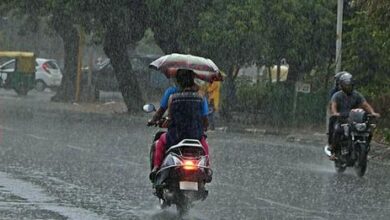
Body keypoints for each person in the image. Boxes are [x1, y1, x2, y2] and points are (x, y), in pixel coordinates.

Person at [148, 69, 210, 181]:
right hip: (195, 136)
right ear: (193, 80)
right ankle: (207, 169)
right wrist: (203, 126)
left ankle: (156, 168)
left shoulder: (172, 96)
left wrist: (158, 121)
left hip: (175, 137)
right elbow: (205, 119)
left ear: (178, 81)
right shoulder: (201, 98)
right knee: (204, 145)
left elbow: (168, 117)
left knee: (160, 142)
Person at [328, 72, 380, 160]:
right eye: (345, 85)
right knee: (337, 131)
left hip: (355, 119)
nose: (348, 87)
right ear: (341, 85)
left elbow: (365, 104)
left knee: (368, 130)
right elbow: (333, 105)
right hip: (342, 119)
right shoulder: (337, 95)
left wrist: (372, 112)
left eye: (349, 85)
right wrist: (335, 113)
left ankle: (365, 149)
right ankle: (334, 152)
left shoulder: (357, 95)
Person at [326, 71, 347, 149]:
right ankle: (331, 143)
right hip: (338, 112)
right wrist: (334, 112)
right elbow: (331, 103)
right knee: (332, 122)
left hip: (349, 113)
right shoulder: (334, 92)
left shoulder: (352, 92)